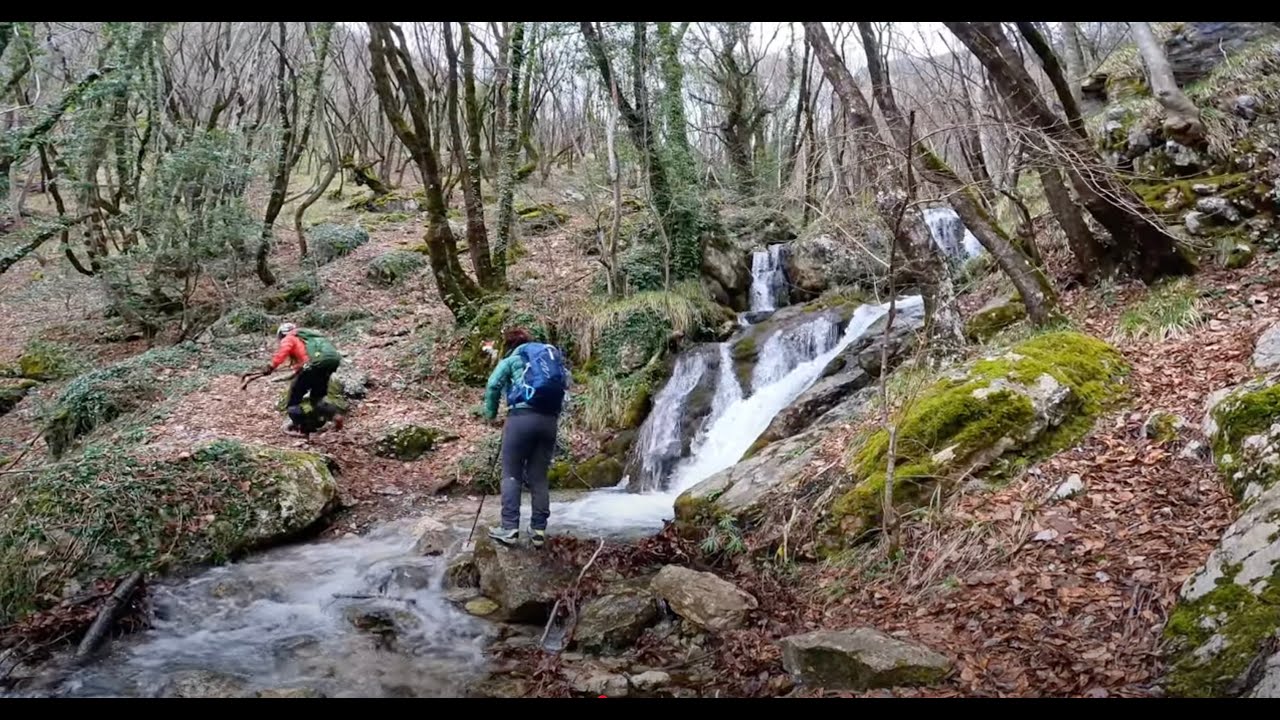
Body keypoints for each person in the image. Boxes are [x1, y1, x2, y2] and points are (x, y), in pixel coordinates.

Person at [483, 326, 569, 548]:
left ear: (508, 344)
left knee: (511, 473)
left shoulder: (512, 359)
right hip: (549, 421)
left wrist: (490, 414)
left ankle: (509, 528)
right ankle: (538, 530)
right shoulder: (545, 360)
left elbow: (493, 385)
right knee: (539, 476)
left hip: (521, 419)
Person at [256, 322, 346, 434]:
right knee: (317, 400)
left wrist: (271, 366)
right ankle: (335, 416)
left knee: (293, 402)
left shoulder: (290, 338)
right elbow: (304, 358)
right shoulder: (308, 339)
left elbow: (284, 351)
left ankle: (304, 428)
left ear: (282, 334)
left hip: (311, 368)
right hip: (324, 367)